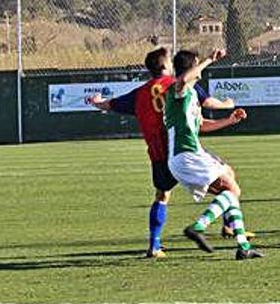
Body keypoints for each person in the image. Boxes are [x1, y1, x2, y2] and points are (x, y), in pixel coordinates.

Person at [88, 47, 247, 258]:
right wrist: (226, 104)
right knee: (229, 183)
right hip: (183, 149)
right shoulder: (178, 85)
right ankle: (221, 227)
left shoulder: (140, 94)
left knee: (162, 196)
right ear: (165, 66)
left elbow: (108, 105)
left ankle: (155, 246)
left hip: (159, 155)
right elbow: (205, 104)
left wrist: (96, 102)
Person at [166, 49, 262, 260]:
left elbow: (201, 125)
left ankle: (243, 246)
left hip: (191, 154)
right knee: (231, 190)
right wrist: (209, 60)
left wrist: (229, 120)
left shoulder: (191, 96)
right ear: (191, 68)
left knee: (229, 179)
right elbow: (184, 79)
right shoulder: (177, 89)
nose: (200, 72)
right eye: (196, 66)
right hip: (186, 156)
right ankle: (198, 227)